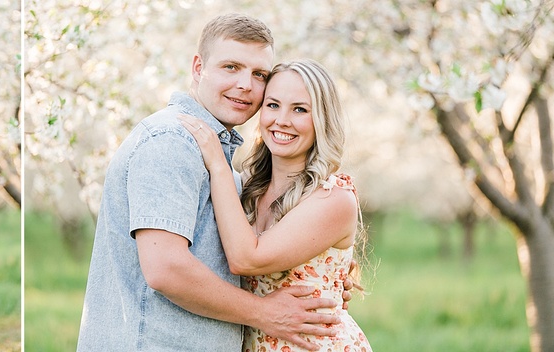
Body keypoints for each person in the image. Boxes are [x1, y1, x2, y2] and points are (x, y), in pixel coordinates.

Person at [77, 14, 352, 351]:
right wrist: (264, 312)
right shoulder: (172, 142)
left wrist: (320, 271)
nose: (245, 85)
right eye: (231, 67)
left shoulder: (235, 174)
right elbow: (166, 269)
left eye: (258, 74)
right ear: (198, 68)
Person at [179, 59, 372, 351]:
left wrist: (218, 163)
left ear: (322, 119)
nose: (282, 120)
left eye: (300, 109)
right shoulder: (247, 188)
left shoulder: (334, 197)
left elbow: (246, 259)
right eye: (272, 105)